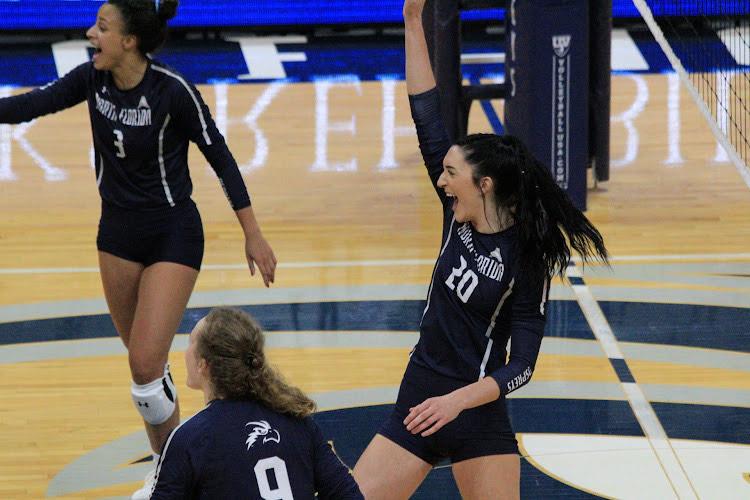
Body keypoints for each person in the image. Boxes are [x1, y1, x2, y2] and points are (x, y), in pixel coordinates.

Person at [0, 1, 277, 498]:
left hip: (173, 232)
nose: (90, 34)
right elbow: (28, 106)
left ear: (129, 41)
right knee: (145, 368)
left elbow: (221, 157)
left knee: (146, 364)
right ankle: (170, 462)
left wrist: (252, 232)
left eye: (102, 28)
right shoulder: (92, 79)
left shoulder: (173, 92)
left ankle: (173, 477)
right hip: (117, 234)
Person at [352, 0, 609, 498]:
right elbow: (425, 109)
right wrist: (411, 22)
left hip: (474, 410)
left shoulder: (527, 257)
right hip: (421, 395)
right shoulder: (456, 214)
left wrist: (459, 403)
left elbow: (522, 366)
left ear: (484, 184)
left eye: (452, 174)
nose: (442, 182)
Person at [150, 307, 363, 499]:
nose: (185, 352)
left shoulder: (188, 439)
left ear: (204, 365)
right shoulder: (297, 420)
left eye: (190, 343)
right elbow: (348, 495)